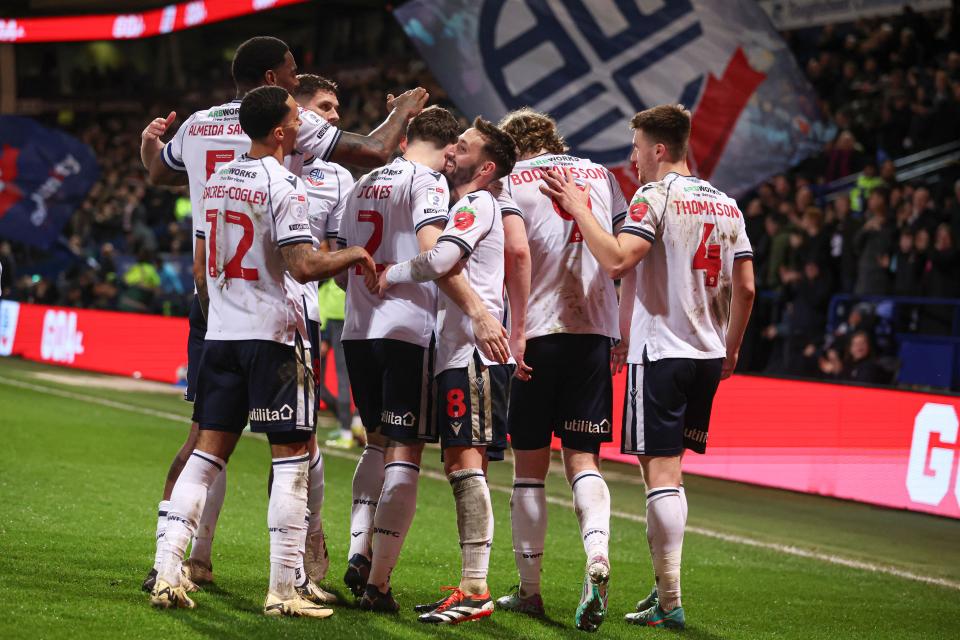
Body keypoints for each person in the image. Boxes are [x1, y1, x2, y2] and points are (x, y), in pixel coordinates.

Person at [138, 35, 426, 596]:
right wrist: (404, 111)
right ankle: (289, 580)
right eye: (295, 79)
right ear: (277, 95)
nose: (305, 100)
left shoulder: (199, 131)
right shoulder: (288, 171)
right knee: (294, 448)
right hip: (279, 315)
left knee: (206, 440)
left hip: (215, 303)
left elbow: (161, 176)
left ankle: (175, 561)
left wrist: (150, 145)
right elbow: (371, 152)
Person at [150, 86, 376, 616]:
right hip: (274, 337)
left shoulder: (217, 180)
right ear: (278, 131)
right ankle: (282, 590)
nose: (302, 125)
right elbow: (302, 265)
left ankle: (166, 572)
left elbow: (203, 259)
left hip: (222, 335)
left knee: (206, 457)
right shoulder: (284, 184)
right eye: (296, 118)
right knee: (293, 460)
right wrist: (353, 254)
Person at [539, 104, 755, 630]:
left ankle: (671, 599)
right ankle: (664, 590)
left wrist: (578, 207)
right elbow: (747, 287)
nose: (632, 160)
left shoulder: (653, 197)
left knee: (659, 474)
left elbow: (618, 259)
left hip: (661, 353)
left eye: (636, 148)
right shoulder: (727, 204)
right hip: (707, 354)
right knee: (672, 474)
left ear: (659, 149)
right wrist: (730, 348)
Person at [336, 106, 510, 612]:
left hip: (358, 328)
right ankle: (379, 583)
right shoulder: (431, 184)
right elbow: (438, 258)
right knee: (407, 451)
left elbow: (344, 260)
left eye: (466, 148)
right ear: (445, 146)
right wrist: (479, 311)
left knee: (377, 443)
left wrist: (375, 283)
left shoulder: (363, 181)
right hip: (409, 332)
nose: (455, 155)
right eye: (457, 145)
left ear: (405, 136)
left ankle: (359, 549)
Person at [377, 118, 519, 624]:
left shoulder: (476, 204)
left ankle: (476, 589)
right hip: (463, 352)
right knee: (462, 464)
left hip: (473, 355)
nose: (453, 148)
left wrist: (391, 273)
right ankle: (471, 585)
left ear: (486, 167)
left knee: (465, 465)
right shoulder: (472, 204)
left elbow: (441, 259)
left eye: (465, 145)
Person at [493, 108, 627, 632]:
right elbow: (621, 253)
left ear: (513, 146)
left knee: (529, 468)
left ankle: (529, 591)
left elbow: (513, 254)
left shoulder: (510, 182)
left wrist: (512, 328)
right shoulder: (603, 177)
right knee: (583, 460)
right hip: (593, 332)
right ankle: (597, 554)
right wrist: (619, 327)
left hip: (537, 332)